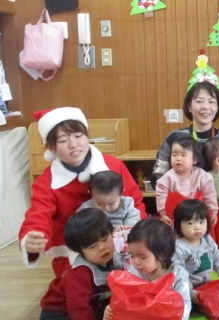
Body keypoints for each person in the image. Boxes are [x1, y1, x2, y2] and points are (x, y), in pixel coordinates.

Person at [19, 107, 145, 278]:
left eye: (78, 136)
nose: (73, 145)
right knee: (78, 282)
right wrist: (32, 238)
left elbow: (135, 203)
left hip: (120, 242)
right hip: (74, 249)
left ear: (87, 137)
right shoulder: (46, 182)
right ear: (50, 147)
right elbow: (38, 216)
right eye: (63, 140)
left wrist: (135, 234)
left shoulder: (113, 165)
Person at [0, 209, 124, 320]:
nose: (102, 247)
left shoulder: (118, 260)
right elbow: (78, 308)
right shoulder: (79, 272)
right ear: (80, 251)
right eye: (92, 246)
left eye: (105, 239)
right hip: (59, 314)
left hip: (92, 310)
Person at [103, 218, 192, 320]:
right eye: (132, 255)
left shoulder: (178, 274)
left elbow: (185, 304)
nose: (135, 262)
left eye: (142, 257)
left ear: (163, 254)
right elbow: (122, 299)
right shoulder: (134, 271)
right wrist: (111, 310)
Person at [151, 81, 219, 186]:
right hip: (182, 194)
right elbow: (158, 174)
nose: (205, 107)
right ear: (189, 107)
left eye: (211, 102)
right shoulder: (175, 137)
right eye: (199, 101)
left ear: (217, 107)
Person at [172, 199, 219, 304]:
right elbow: (179, 274)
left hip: (206, 285)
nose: (197, 227)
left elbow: (218, 258)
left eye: (201, 222)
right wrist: (190, 293)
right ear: (178, 225)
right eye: (190, 223)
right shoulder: (179, 248)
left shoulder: (207, 239)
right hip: (187, 290)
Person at [155, 136, 218, 226]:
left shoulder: (203, 176)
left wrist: (213, 211)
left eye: (183, 155)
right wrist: (163, 213)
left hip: (197, 215)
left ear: (194, 160)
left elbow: (210, 195)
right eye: (174, 155)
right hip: (174, 217)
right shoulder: (167, 178)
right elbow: (161, 195)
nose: (178, 158)